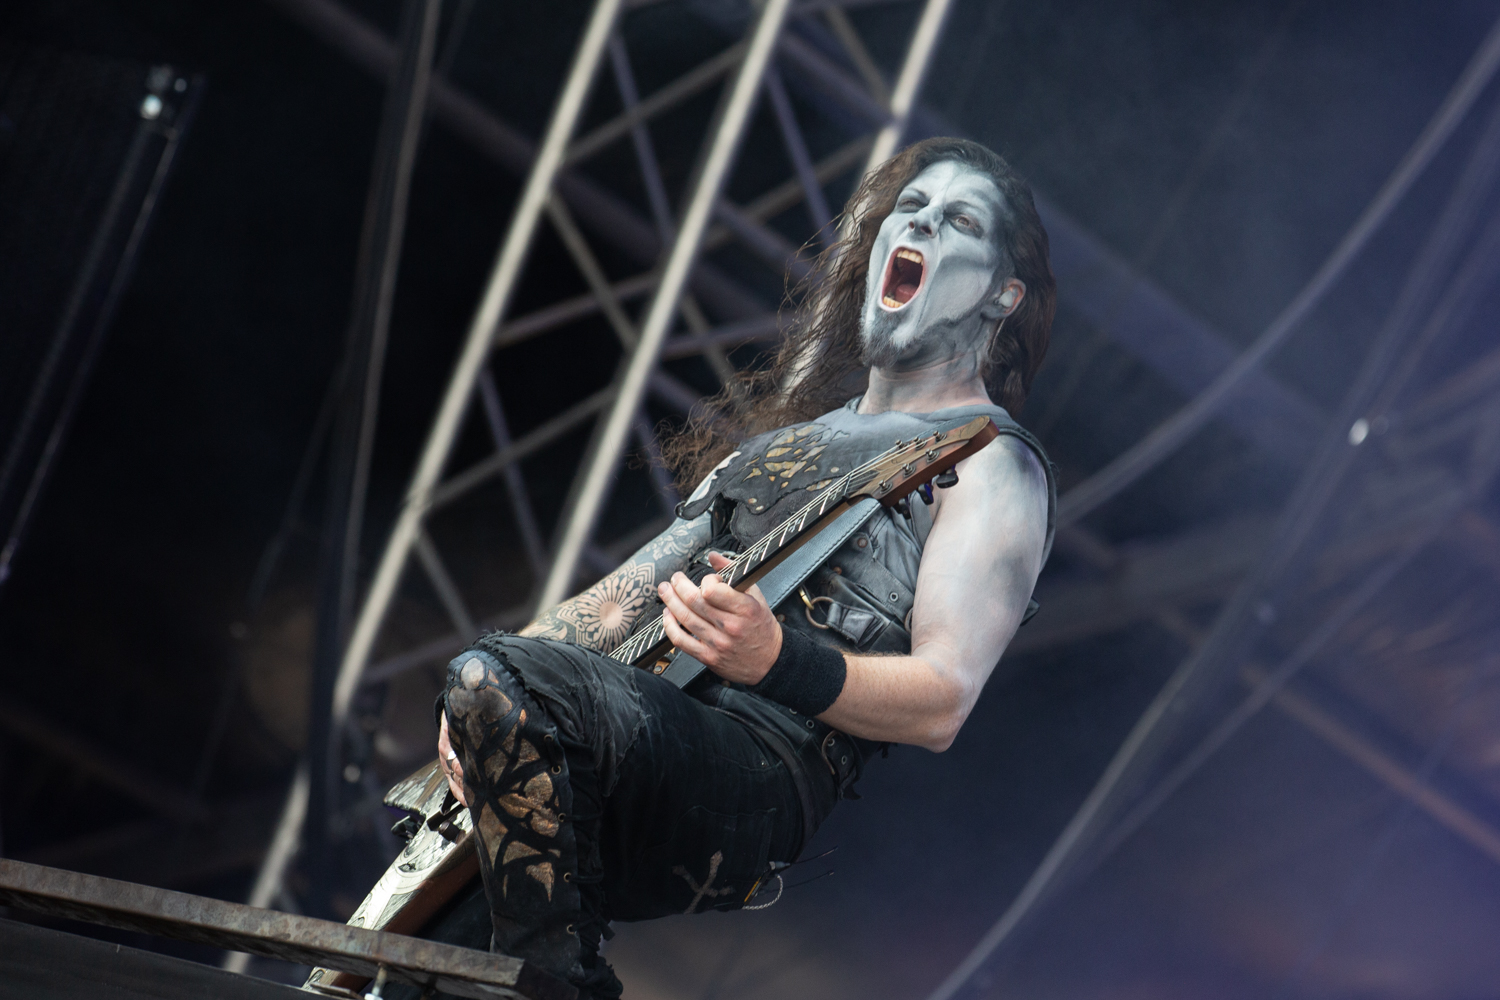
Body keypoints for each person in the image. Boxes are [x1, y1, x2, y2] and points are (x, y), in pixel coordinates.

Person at [434, 136, 1057, 998]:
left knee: (499, 680)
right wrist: (481, 706)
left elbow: (944, 701)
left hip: (758, 773)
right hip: (640, 735)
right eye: (911, 208)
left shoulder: (992, 462)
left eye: (959, 222)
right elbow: (615, 605)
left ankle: (564, 990)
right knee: (411, 951)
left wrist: (776, 659)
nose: (921, 224)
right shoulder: (778, 449)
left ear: (1001, 296)